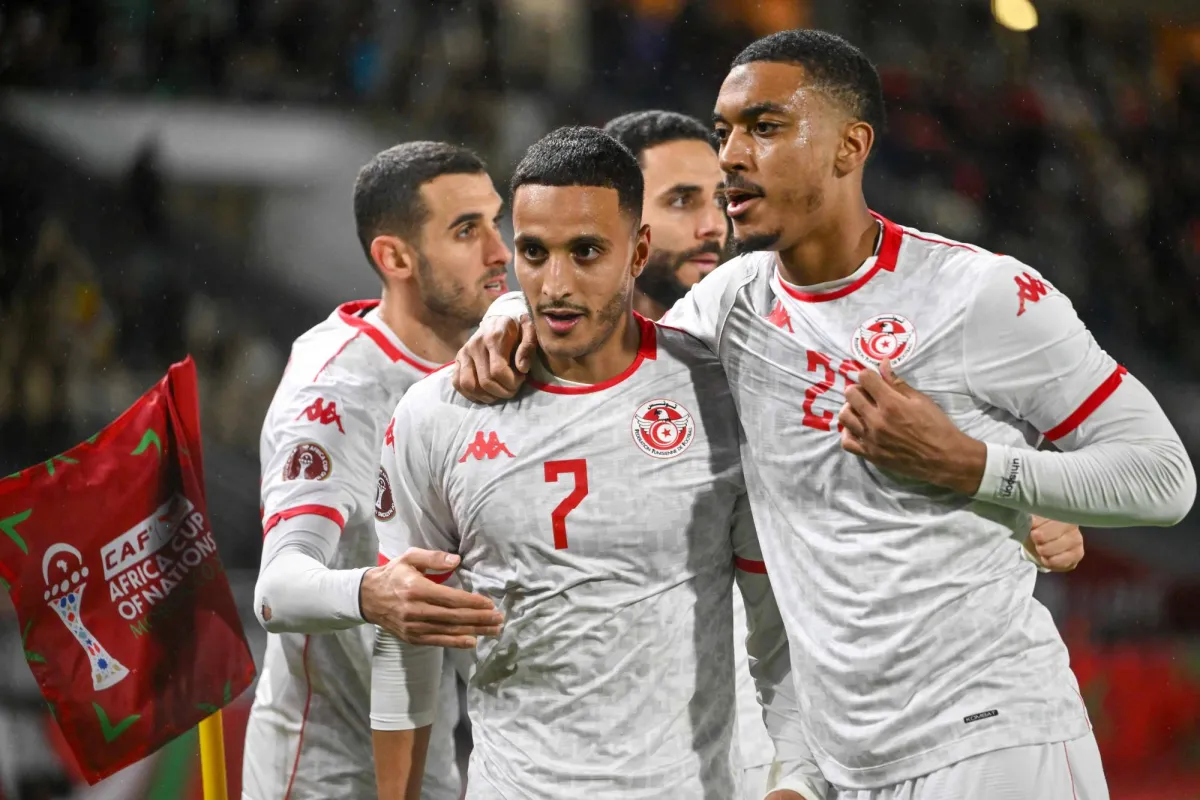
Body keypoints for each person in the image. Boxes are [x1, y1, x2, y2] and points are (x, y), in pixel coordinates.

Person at [452, 31, 1197, 800]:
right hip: (848, 765)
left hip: (991, 737)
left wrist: (974, 467)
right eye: (724, 132)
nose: (731, 156)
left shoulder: (978, 293)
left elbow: (1164, 478)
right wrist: (507, 314)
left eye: (764, 127)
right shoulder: (735, 303)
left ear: (850, 147)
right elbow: (615, 349)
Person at [603, 106, 1089, 800]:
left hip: (832, 751)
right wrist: (508, 320)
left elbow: (926, 454)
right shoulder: (557, 386)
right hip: (633, 758)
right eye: (682, 202)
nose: (713, 224)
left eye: (719, 197)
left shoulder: (777, 344)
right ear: (618, 226)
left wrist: (1025, 492)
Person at [370, 126, 822, 800]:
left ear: (638, 251)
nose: (554, 285)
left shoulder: (720, 396)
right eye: (533, 252)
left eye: (585, 252)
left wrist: (801, 779)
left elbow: (775, 621)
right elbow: (404, 634)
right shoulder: (437, 413)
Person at [244, 141, 511, 800]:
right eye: (466, 230)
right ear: (395, 258)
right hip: (322, 771)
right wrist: (374, 594)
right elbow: (277, 590)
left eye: (495, 221)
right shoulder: (339, 395)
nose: (499, 251)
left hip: (432, 753)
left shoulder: (488, 354)